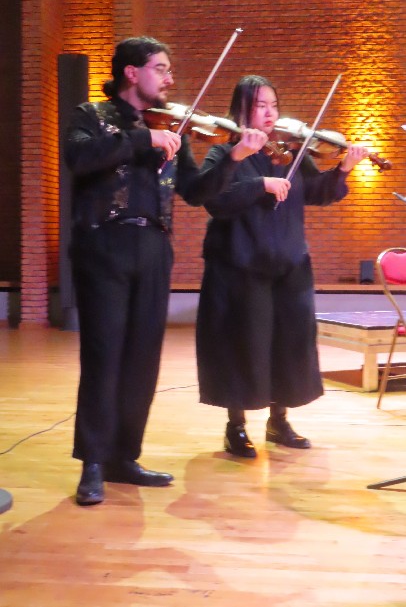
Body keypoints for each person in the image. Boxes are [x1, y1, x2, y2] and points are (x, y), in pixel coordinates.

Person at [64, 37, 268, 505]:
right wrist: (143, 139)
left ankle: (124, 457)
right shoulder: (91, 115)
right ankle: (92, 463)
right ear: (131, 72)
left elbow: (196, 191)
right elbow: (79, 159)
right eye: (161, 68)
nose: (170, 79)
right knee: (103, 356)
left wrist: (234, 159)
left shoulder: (173, 126)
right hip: (103, 246)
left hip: (154, 248)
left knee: (143, 359)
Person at [196, 74, 369, 458]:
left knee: (288, 345)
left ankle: (279, 421)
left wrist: (343, 169)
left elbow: (317, 193)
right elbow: (215, 199)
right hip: (241, 266)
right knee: (244, 345)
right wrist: (261, 185)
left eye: (273, 104)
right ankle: (236, 427)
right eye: (260, 105)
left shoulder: (291, 153)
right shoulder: (225, 153)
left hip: (288, 264)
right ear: (242, 109)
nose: (270, 112)